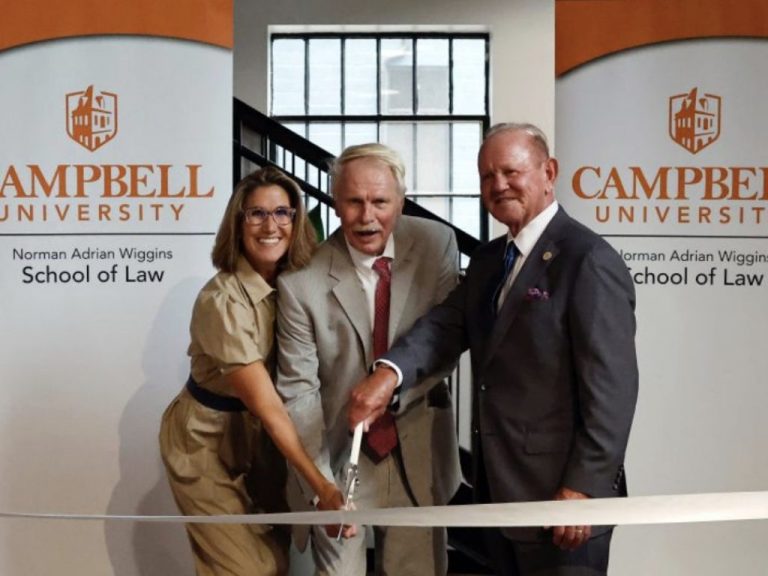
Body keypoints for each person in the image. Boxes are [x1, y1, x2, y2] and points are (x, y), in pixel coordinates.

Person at [348, 123, 639, 576]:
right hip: (500, 500)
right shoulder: (488, 260)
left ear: (549, 172)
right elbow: (446, 326)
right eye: (487, 176)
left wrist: (583, 489)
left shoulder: (588, 260)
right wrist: (389, 373)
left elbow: (613, 392)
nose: (498, 185)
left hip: (564, 507)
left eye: (510, 171)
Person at [276, 143, 462, 575]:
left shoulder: (436, 244)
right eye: (354, 201)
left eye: (380, 201)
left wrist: (388, 387)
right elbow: (298, 393)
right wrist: (321, 484)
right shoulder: (299, 281)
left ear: (400, 200)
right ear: (335, 203)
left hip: (417, 446)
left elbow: (445, 342)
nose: (367, 216)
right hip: (336, 454)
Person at [159, 167, 346, 576]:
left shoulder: (297, 284)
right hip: (205, 439)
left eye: (282, 213)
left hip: (261, 440)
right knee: (246, 567)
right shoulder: (222, 300)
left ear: (296, 222)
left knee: (278, 557)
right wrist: (323, 489)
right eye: (256, 214)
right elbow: (268, 406)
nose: (271, 225)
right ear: (237, 223)